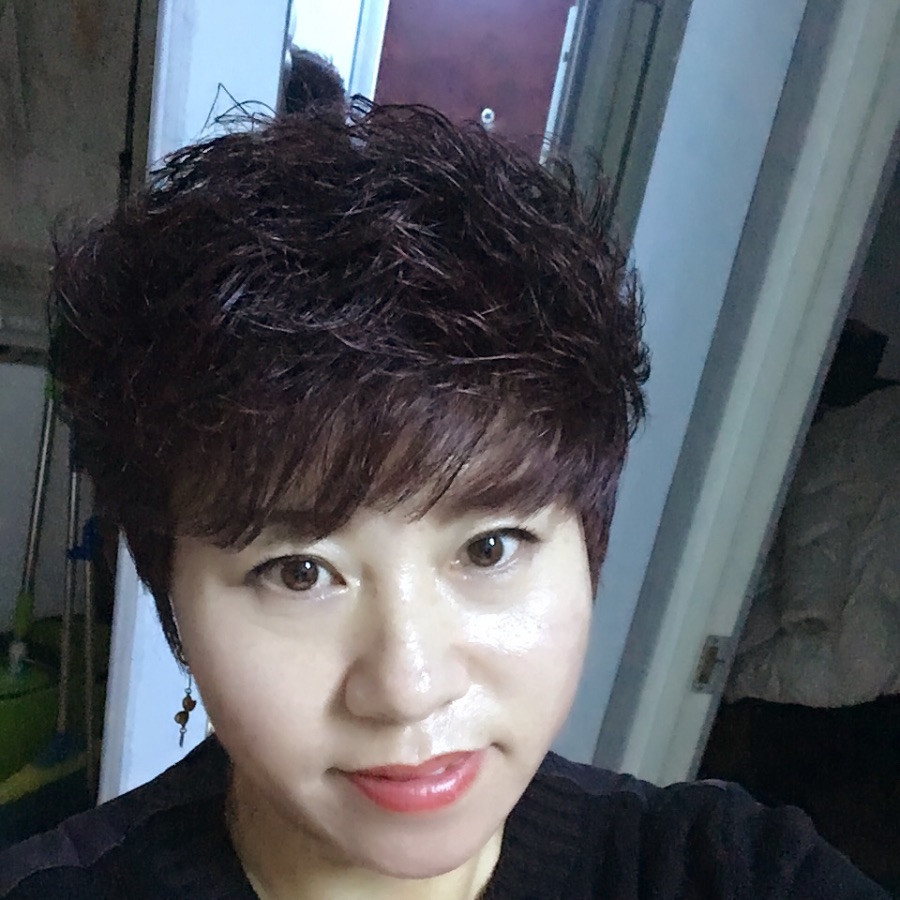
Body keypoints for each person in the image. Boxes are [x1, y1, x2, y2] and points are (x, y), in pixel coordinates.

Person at [0, 103, 889, 899]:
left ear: (589, 547)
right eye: (300, 571)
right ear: (170, 595)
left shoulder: (729, 871)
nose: (409, 689)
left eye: (488, 548)